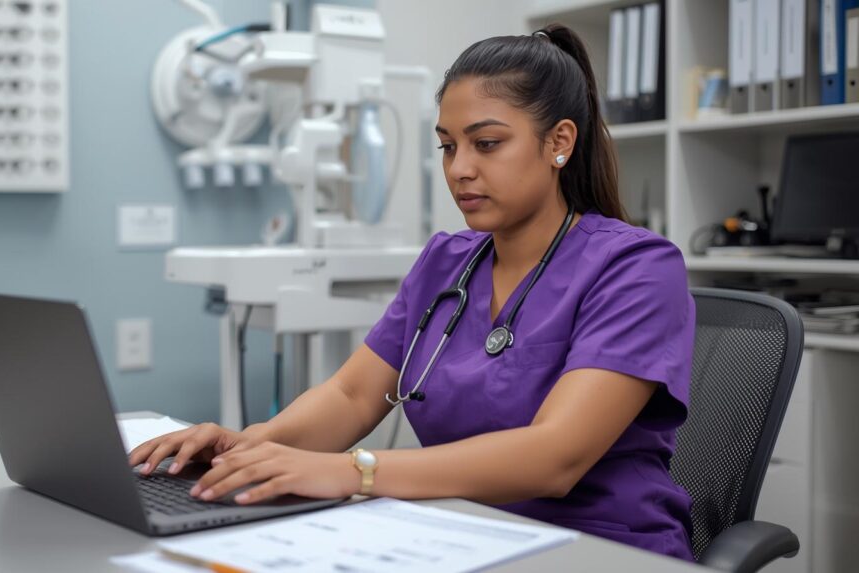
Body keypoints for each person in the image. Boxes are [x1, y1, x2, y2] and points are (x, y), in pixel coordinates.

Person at [130, 24, 695, 561]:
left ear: (559, 143)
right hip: (454, 529)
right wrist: (250, 446)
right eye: (449, 147)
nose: (460, 170)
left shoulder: (636, 268)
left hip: (595, 545)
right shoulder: (445, 263)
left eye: (487, 143)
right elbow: (353, 396)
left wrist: (354, 471)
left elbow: (556, 457)